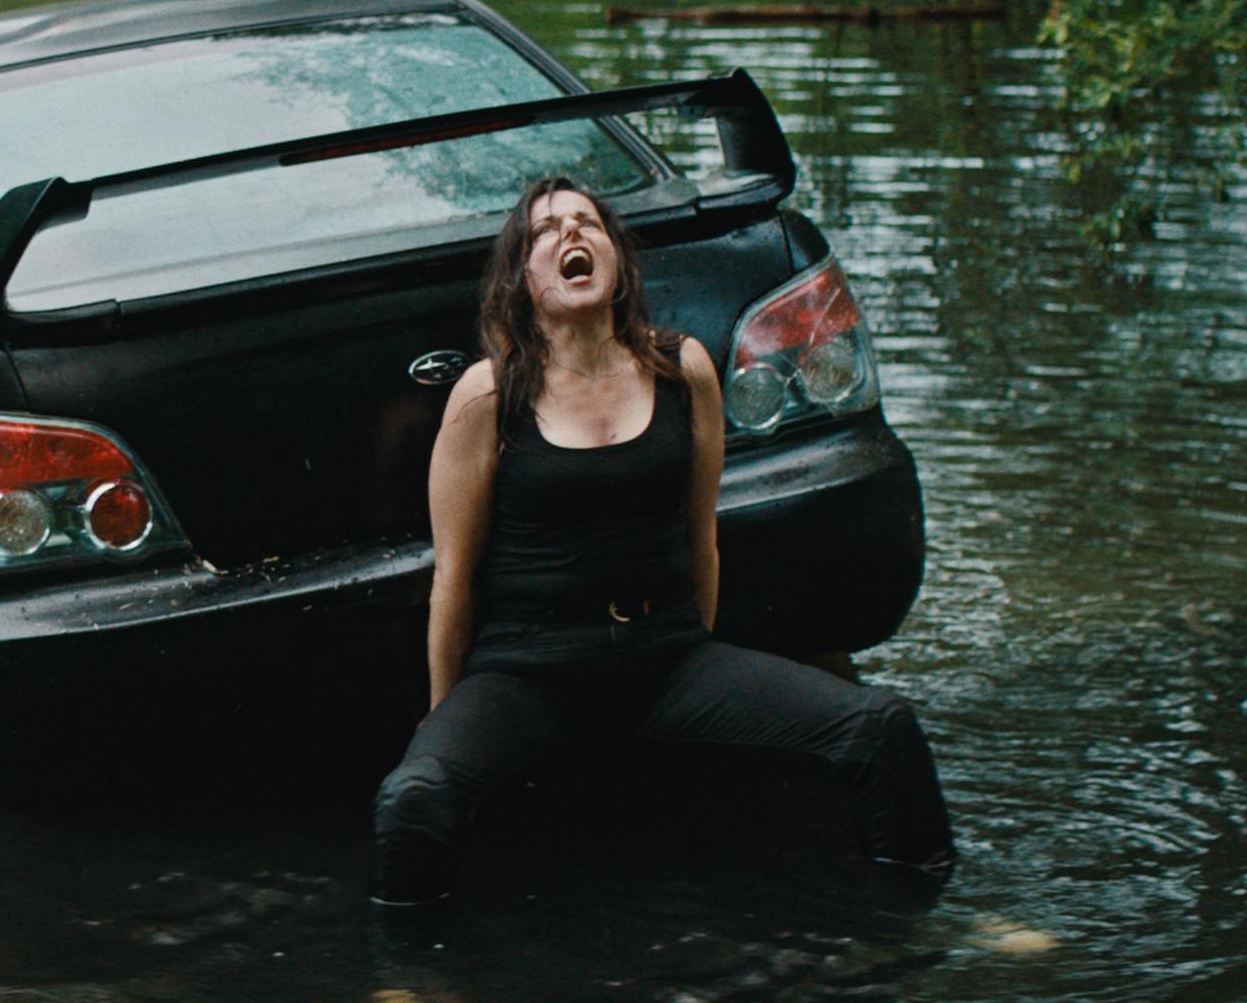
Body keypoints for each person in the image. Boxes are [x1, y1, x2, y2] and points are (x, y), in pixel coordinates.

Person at [368, 176, 955, 907]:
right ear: (522, 276)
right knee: (414, 800)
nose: (571, 235)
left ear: (616, 261)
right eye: (547, 231)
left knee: (881, 729)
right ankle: (414, 982)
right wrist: (445, 713)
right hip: (528, 671)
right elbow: (454, 579)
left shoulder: (681, 369)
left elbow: (700, 538)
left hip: (666, 657)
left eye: (588, 223)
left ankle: (926, 920)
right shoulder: (488, 395)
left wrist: (695, 667)